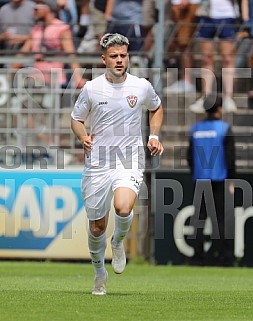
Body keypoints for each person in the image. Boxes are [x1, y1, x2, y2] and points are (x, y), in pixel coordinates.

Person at [71, 33, 164, 295]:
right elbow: (76, 119)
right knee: (97, 225)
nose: (119, 60)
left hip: (129, 159)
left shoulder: (141, 86)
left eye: (123, 55)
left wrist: (154, 135)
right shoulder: (91, 89)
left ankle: (119, 240)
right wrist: (82, 136)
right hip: (98, 163)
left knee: (123, 208)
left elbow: (156, 108)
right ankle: (99, 273)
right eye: (114, 56)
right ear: (104, 60)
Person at [187, 94, 236, 266]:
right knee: (221, 219)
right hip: (219, 179)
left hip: (200, 180)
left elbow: (189, 157)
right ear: (220, 108)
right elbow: (230, 158)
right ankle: (223, 256)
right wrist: (231, 180)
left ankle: (197, 257)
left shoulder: (195, 129)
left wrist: (195, 173)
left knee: (199, 220)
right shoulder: (224, 128)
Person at [189, 0, 239, 113]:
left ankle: (228, 98)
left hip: (226, 14)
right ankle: (205, 98)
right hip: (206, 14)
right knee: (206, 59)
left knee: (228, 58)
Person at [163, 0, 200, 94]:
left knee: (185, 45)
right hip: (176, 5)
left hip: (187, 5)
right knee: (180, 45)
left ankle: (188, 81)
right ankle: (185, 79)